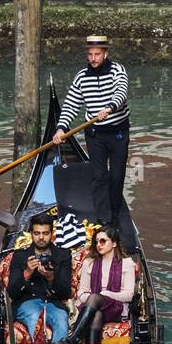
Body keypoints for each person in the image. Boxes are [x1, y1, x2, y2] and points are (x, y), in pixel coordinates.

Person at [53, 35, 131, 227]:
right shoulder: (81, 77)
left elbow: (122, 91)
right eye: (90, 55)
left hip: (118, 133)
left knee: (117, 175)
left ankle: (115, 213)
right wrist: (61, 128)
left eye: (97, 54)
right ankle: (104, 219)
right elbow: (71, 105)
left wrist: (110, 107)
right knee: (99, 176)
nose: (93, 58)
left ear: (105, 53)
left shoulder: (117, 71)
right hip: (95, 134)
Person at [58, 225, 137, 344]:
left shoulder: (127, 263)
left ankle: (73, 340)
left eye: (103, 241)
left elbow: (129, 295)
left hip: (117, 308)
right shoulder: (89, 262)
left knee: (95, 297)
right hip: (93, 307)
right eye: (96, 241)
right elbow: (81, 293)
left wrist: (105, 295)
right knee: (96, 314)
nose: (99, 244)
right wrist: (94, 299)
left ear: (114, 243)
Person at [5, 213, 73, 344]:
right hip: (27, 303)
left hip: (53, 303)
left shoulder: (63, 255)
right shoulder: (20, 256)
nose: (41, 237)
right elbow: (12, 293)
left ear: (52, 233)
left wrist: (51, 278)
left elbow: (65, 292)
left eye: (45, 233)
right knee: (35, 317)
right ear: (31, 233)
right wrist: (27, 273)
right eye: (37, 233)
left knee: (61, 318)